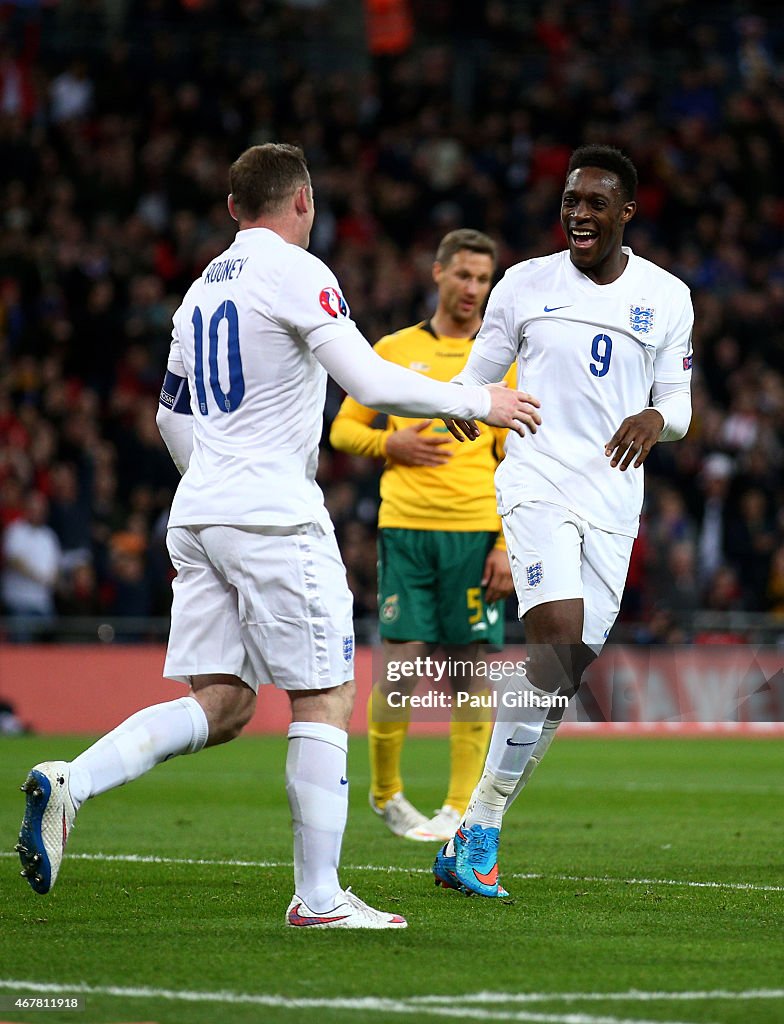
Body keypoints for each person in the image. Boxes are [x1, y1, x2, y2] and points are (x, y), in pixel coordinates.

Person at [16, 143, 542, 929]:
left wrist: (218, 480)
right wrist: (478, 400)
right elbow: (364, 381)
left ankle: (71, 781)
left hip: (199, 511)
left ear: (233, 208)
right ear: (303, 202)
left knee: (222, 704)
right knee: (325, 693)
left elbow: (168, 415)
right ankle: (320, 898)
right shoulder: (300, 272)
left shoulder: (197, 293)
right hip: (271, 513)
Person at [434, 144, 693, 898]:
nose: (578, 213)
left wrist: (654, 418)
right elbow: (478, 375)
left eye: (594, 202)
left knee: (562, 676)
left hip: (613, 503)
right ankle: (480, 830)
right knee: (553, 645)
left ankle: (470, 831)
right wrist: (462, 408)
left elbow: (679, 405)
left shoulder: (668, 297)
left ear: (626, 212)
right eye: (570, 201)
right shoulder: (523, 284)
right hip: (536, 482)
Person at [330, 229, 516, 844]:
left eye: (483, 279)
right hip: (406, 532)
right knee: (400, 668)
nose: (472, 289)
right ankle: (386, 794)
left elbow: (519, 462)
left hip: (475, 533)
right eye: (462, 275)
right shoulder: (393, 348)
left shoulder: (503, 358)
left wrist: (506, 545)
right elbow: (342, 430)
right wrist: (392, 442)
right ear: (437, 273)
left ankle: (460, 805)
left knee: (471, 673)